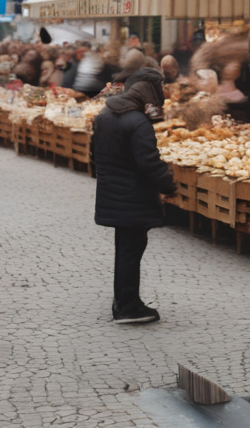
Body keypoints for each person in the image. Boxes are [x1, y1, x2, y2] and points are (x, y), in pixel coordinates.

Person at [90, 67, 176, 324]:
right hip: (134, 197)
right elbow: (149, 162)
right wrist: (169, 184)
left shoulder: (106, 114)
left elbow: (94, 156)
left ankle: (123, 302)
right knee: (131, 250)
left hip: (114, 194)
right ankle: (128, 306)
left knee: (125, 249)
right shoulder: (137, 122)